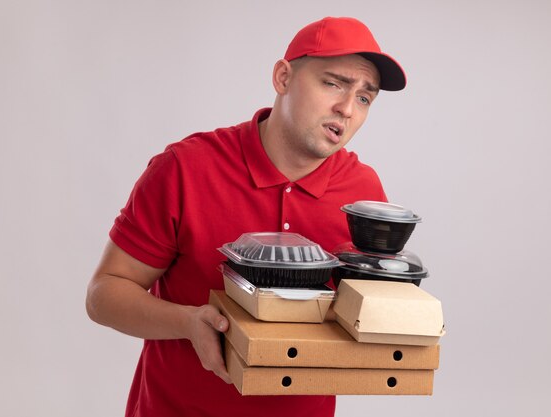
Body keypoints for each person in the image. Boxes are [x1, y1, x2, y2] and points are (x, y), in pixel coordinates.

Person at [86, 16, 406, 417]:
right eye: (334, 83)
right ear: (283, 77)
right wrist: (187, 322)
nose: (346, 109)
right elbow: (104, 295)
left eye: (364, 97)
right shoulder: (185, 169)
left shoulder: (363, 193)